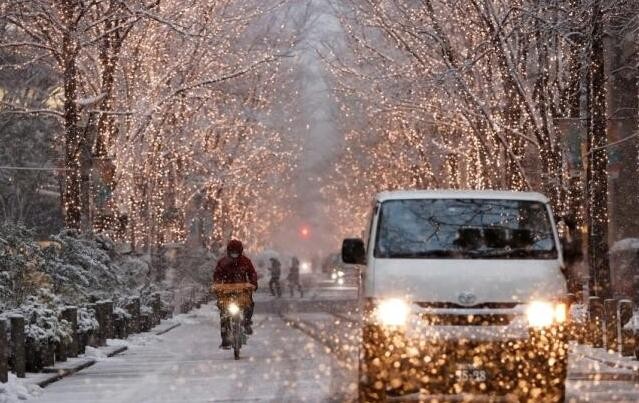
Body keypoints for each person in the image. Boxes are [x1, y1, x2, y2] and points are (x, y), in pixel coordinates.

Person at [213, 239, 258, 348]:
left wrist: (253, 283)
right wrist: (217, 286)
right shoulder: (222, 262)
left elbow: (252, 273)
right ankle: (225, 339)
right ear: (228, 251)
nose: (234, 254)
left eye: (236, 251)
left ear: (240, 251)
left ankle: (247, 323)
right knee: (223, 313)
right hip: (226, 293)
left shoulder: (246, 261)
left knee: (249, 304)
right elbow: (217, 275)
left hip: (242, 291)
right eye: (232, 251)